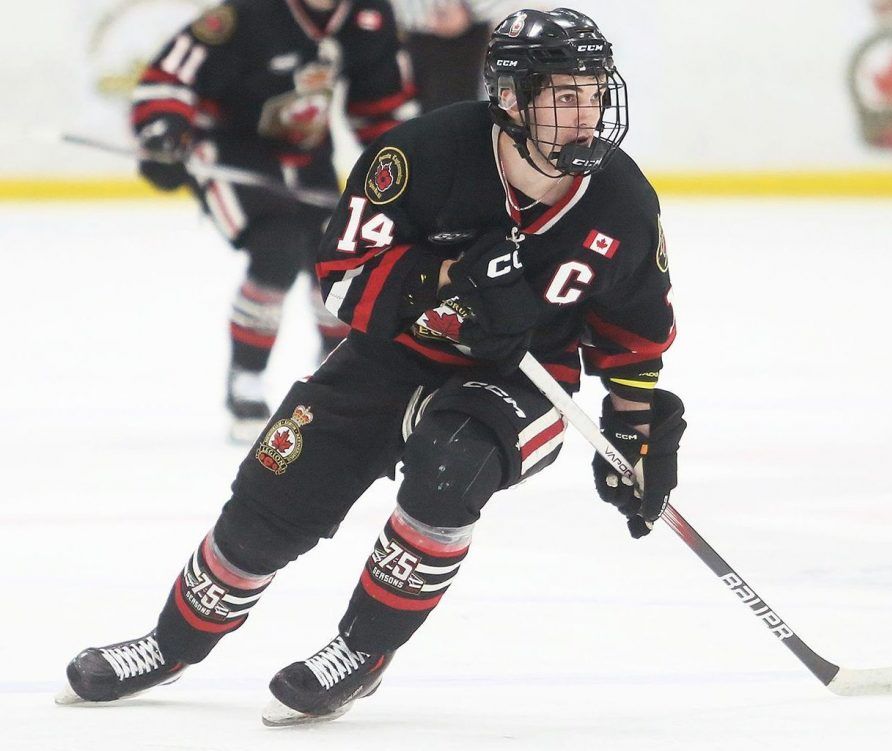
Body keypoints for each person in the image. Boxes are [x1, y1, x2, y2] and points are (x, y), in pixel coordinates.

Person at [58, 7, 686, 725]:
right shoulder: (423, 155)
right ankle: (169, 643)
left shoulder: (622, 201)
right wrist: (448, 274)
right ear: (512, 98)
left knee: (449, 468)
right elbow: (341, 280)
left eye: (595, 92)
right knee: (272, 501)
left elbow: (634, 331)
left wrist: (636, 431)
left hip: (521, 377)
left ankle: (361, 651)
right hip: (394, 353)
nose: (587, 115)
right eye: (566, 96)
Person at [132, 0, 417, 440]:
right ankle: (245, 380)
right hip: (229, 151)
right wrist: (164, 129)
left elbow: (379, 107)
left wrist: (409, 167)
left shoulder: (369, 16)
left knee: (340, 257)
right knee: (277, 250)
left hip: (308, 158)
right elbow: (169, 79)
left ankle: (338, 377)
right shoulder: (247, 13)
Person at [390, 0, 524, 111]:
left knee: (461, 107)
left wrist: (468, 9)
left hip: (469, 31)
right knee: (429, 106)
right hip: (418, 30)